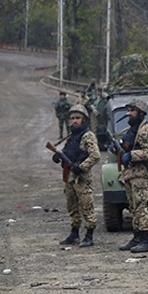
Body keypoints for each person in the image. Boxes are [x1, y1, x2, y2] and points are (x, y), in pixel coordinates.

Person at [52, 104, 101, 247]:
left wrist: (81, 167)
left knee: (87, 207)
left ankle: (89, 235)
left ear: (84, 120)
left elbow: (95, 156)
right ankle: (74, 234)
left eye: (77, 118)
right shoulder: (72, 135)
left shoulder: (88, 135)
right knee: (72, 207)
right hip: (69, 177)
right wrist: (58, 157)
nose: (74, 121)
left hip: (82, 179)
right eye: (72, 118)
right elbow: (68, 153)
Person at [117, 98, 148, 253]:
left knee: (140, 207)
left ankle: (146, 241)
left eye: (132, 111)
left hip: (140, 173)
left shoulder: (145, 129)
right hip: (130, 173)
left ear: (140, 113)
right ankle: (137, 237)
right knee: (133, 207)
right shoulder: (132, 130)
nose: (129, 114)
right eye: (128, 111)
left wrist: (131, 155)